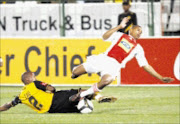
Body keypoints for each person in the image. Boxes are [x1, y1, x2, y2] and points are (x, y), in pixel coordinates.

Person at [69, 17, 174, 102]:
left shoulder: (138, 48)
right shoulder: (120, 35)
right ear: (130, 29)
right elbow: (104, 37)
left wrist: (160, 77)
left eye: (141, 32)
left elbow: (145, 65)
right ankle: (77, 75)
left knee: (107, 80)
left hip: (114, 65)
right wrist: (119, 26)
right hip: (103, 59)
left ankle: (82, 94)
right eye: (138, 30)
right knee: (74, 73)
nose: (139, 33)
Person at [0, 72, 116, 113]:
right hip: (55, 99)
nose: (35, 78)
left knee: (78, 108)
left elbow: (8, 105)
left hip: (52, 110)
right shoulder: (34, 84)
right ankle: (97, 97)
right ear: (29, 79)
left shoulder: (20, 96)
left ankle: (78, 100)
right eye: (34, 76)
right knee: (79, 92)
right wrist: (47, 87)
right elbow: (52, 89)